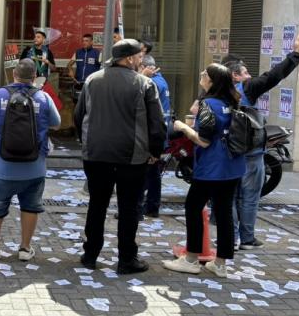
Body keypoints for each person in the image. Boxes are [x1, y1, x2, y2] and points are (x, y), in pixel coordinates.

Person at [74, 39, 166, 274]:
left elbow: (79, 115)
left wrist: (85, 141)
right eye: (138, 57)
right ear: (128, 59)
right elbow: (157, 124)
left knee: (97, 205)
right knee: (129, 208)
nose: (141, 61)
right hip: (132, 157)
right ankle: (126, 259)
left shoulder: (92, 80)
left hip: (96, 154)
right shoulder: (145, 84)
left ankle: (90, 255)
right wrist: (155, 152)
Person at [163, 64, 246, 278]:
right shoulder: (233, 101)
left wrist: (182, 127)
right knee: (224, 212)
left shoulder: (208, 105)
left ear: (212, 81)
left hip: (212, 167)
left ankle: (191, 259)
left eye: (205, 75)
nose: (201, 76)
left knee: (193, 208)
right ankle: (220, 264)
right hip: (233, 166)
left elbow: (204, 141)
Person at [223, 32, 299, 250]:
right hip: (251, 154)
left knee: (229, 196)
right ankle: (246, 238)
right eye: (245, 72)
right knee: (249, 196)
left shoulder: (214, 92)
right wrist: (294, 54)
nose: (249, 76)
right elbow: (274, 75)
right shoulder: (247, 88)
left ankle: (229, 237)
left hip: (228, 153)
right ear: (235, 76)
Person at [0, 58, 61, 261]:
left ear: (14, 74)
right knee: (31, 206)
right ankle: (24, 248)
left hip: (3, 166)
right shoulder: (43, 97)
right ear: (34, 77)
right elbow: (56, 124)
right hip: (35, 166)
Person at [139, 54, 171, 218]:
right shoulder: (161, 80)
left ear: (145, 67)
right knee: (152, 173)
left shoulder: (151, 83)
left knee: (148, 172)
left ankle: (146, 206)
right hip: (158, 134)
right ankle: (150, 206)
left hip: (153, 135)